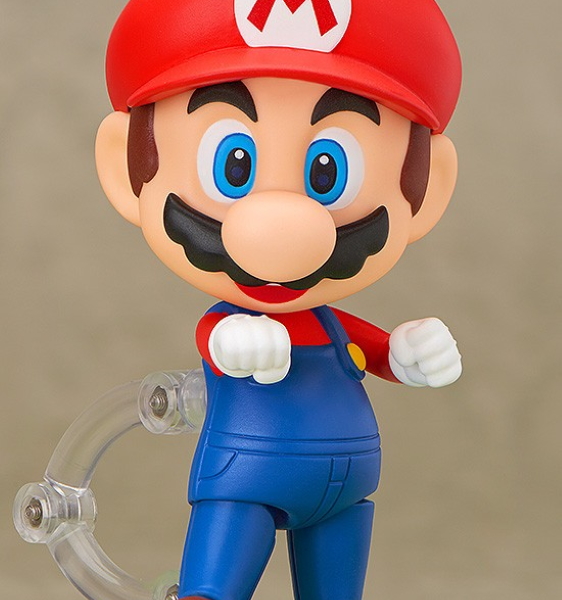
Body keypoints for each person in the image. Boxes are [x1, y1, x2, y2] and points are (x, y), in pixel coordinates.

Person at [95, 1, 463, 599]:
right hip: (243, 486)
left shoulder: (334, 327)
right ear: (126, 168)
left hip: (346, 492)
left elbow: (378, 355)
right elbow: (220, 342)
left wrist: (407, 353)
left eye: (327, 172)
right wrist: (234, 342)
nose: (286, 223)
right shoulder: (226, 327)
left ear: (426, 189)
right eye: (234, 165)